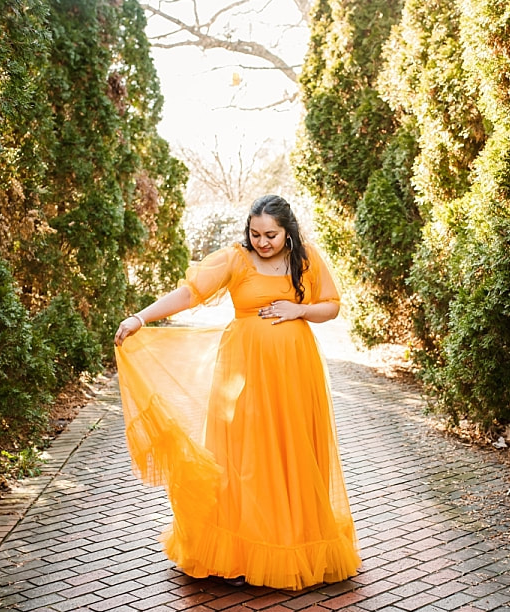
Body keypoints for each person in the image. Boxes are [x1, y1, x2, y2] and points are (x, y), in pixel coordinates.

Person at [113, 195, 359, 590]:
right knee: (245, 452)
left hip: (296, 370)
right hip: (243, 370)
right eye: (255, 233)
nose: (262, 242)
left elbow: (331, 305)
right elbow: (190, 294)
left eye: (271, 235)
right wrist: (141, 316)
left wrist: (299, 310)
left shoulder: (306, 258)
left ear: (287, 231)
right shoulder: (235, 259)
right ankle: (241, 551)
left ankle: (294, 542)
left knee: (293, 450)